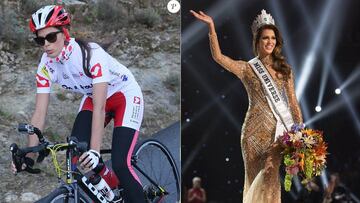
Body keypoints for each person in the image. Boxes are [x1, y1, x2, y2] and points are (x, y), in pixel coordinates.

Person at [11, 5, 145, 203]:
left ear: (64, 33)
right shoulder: (46, 65)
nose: (46, 44)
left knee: (121, 163)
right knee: (75, 154)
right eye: (40, 40)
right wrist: (30, 154)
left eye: (51, 37)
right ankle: (108, 185)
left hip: (124, 95)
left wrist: (95, 151)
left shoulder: (90, 53)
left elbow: (100, 108)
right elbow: (39, 113)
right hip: (93, 97)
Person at [190, 9, 303, 203]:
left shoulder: (285, 70)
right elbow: (219, 57)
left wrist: (300, 134)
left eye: (273, 38)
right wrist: (211, 27)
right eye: (265, 38)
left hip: (277, 134)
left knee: (271, 178)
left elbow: (293, 103)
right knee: (253, 181)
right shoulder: (247, 68)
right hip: (251, 133)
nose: (269, 42)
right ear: (257, 41)